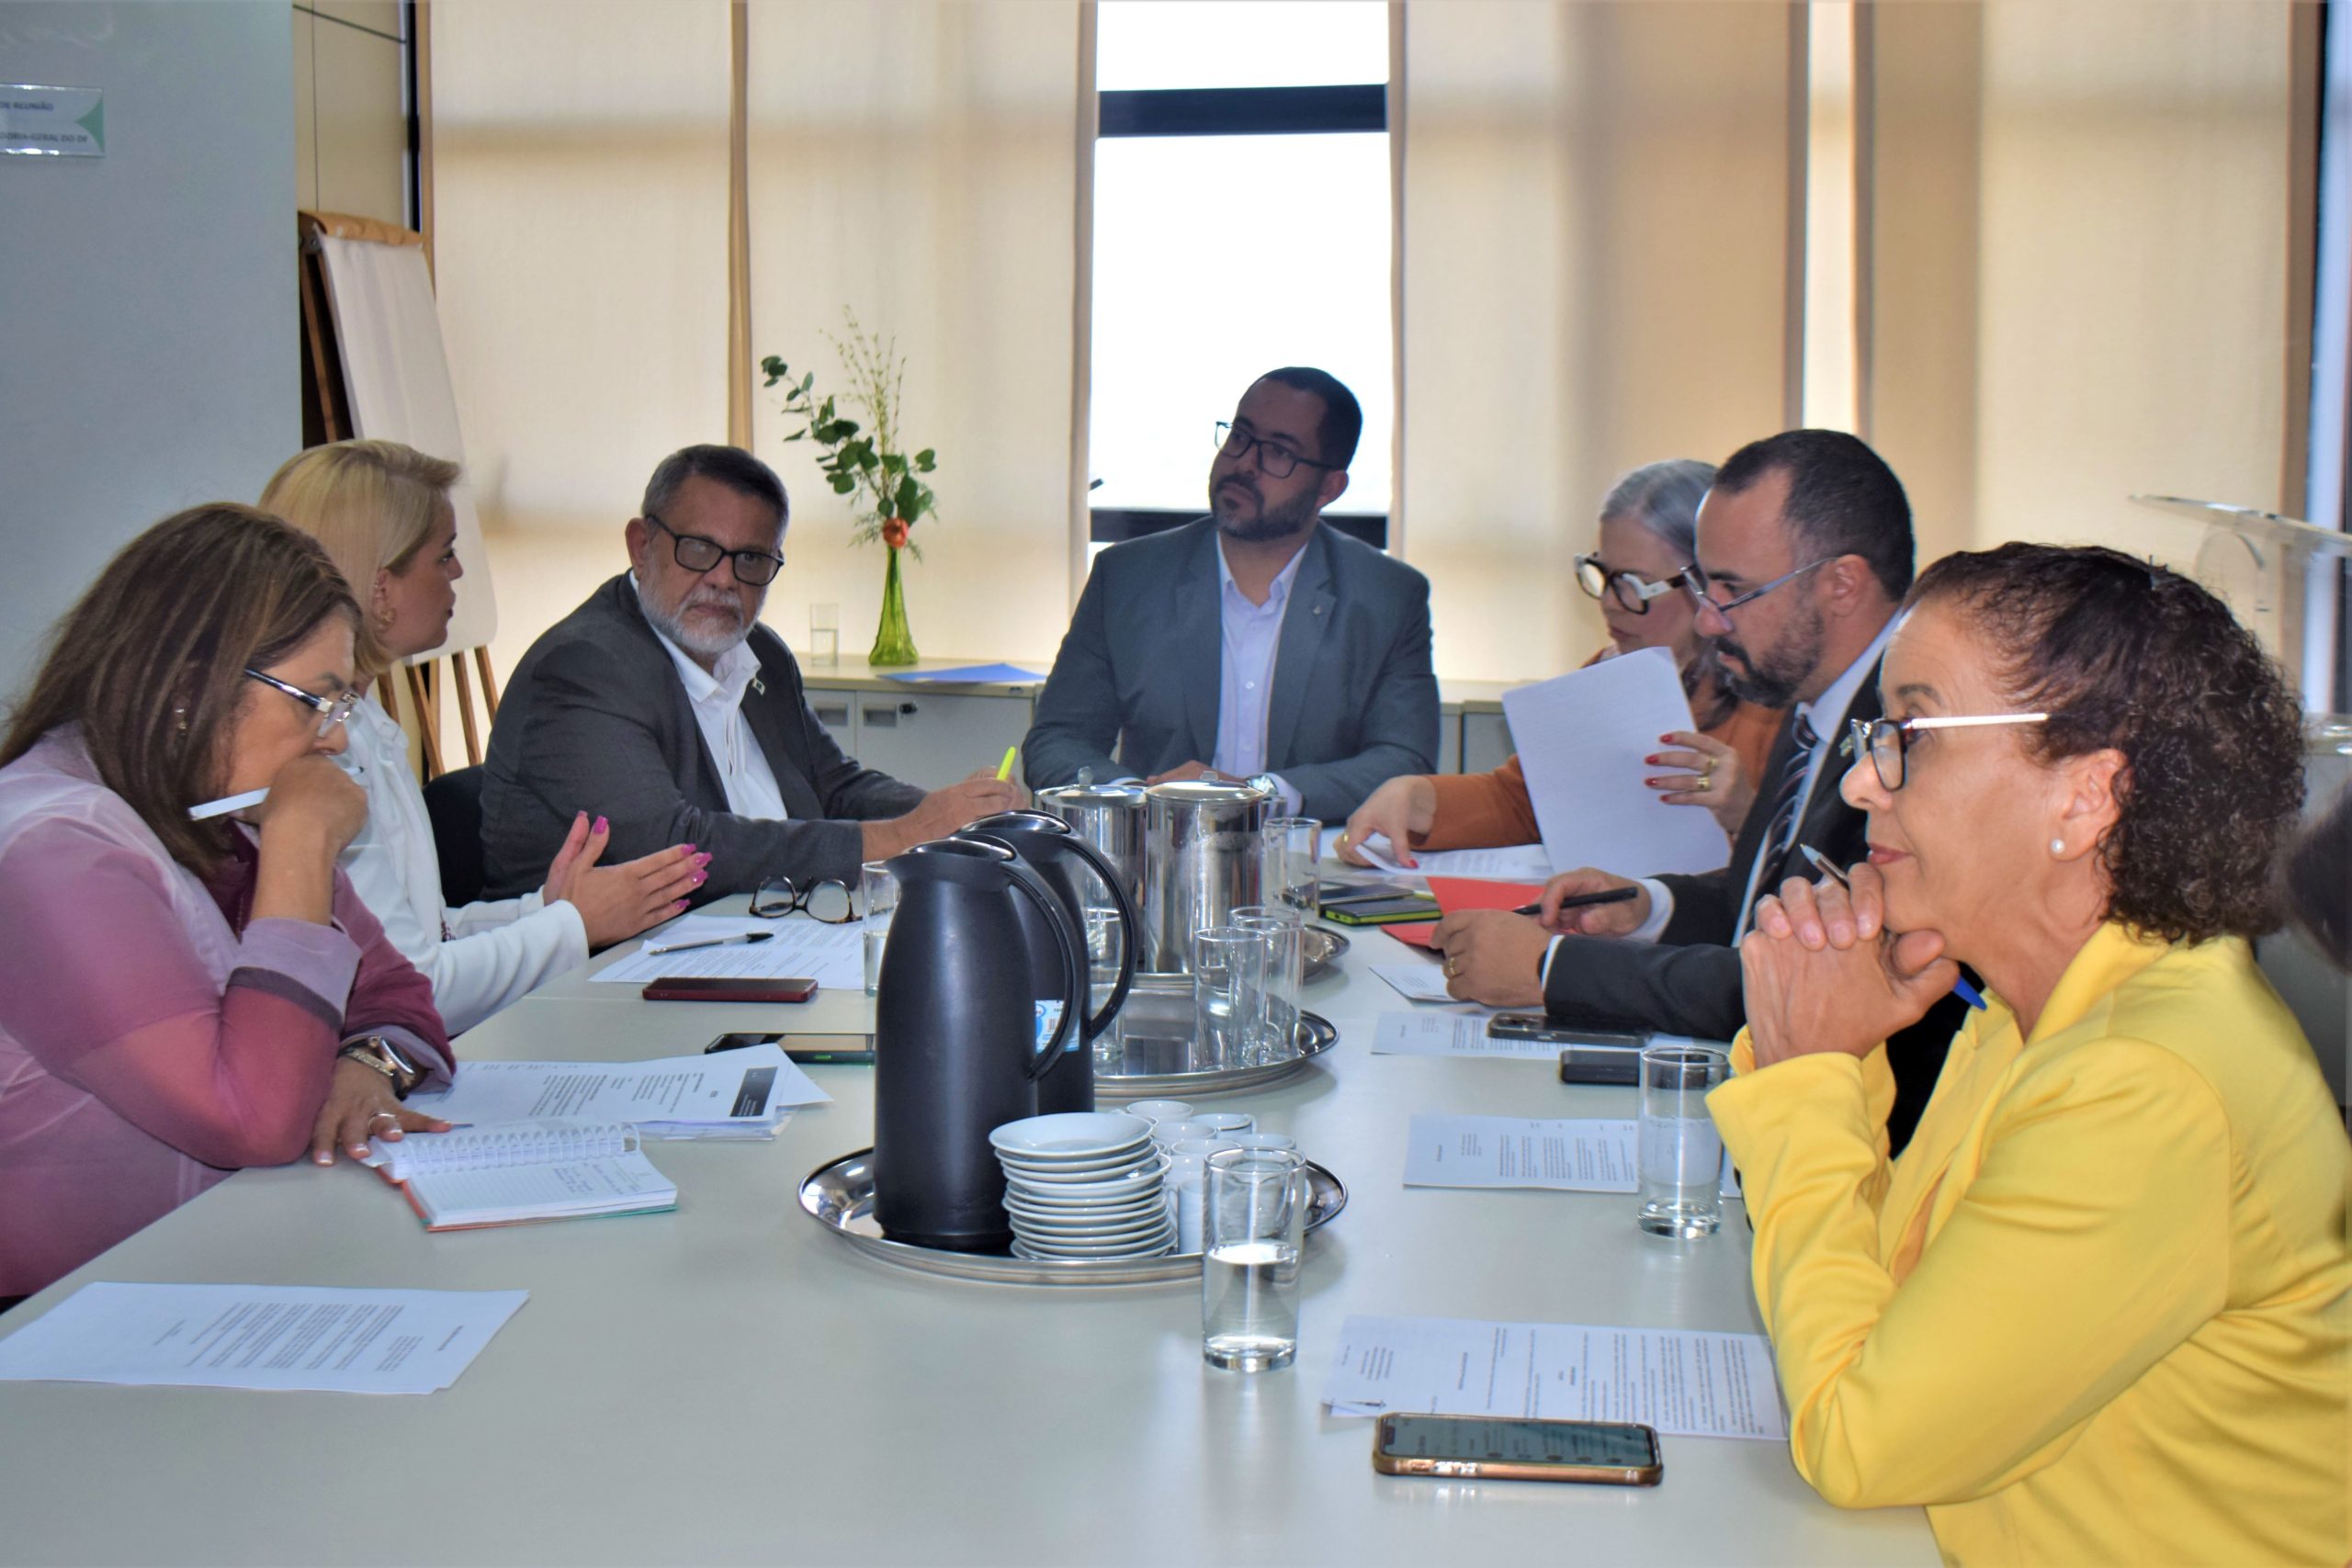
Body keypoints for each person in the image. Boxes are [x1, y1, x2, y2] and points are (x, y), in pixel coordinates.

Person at [1715, 544, 2347, 1564]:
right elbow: (1891, 1307)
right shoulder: (2031, 1008)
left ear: (2087, 797)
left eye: (1911, 735)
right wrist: (1842, 1053)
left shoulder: (2145, 1081)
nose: (1862, 781)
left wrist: (1806, 1077)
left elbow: (1860, 1441)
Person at [1433, 430, 1962, 1152]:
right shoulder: (1814, 697)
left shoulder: (1909, 741)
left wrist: (1550, 968)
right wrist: (1648, 906)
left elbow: (1803, 976)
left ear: (1842, 584)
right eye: (1706, 588)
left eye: (1735, 591)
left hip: (1857, 1142)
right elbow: (1767, 905)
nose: (1710, 620)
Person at [0, 506, 456, 1304]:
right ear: (188, 689)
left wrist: (365, 1067)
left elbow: (396, 994)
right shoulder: (54, 847)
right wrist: (300, 846)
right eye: (314, 701)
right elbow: (252, 1118)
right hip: (65, 1322)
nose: (335, 740)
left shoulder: (213, 809)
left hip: (216, 1268)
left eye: (343, 707)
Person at [261, 442, 705, 1033]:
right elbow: (417, 985)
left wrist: (546, 909)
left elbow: (430, 932)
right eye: (444, 554)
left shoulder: (363, 719)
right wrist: (573, 924)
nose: (458, 572)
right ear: (381, 587)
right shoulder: (324, 750)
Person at [478, 445, 1022, 901]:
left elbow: (832, 784)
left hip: (770, 933)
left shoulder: (761, 651)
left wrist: (955, 813)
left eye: (752, 560)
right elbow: (676, 848)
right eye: (699, 549)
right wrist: (905, 834)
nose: (724, 579)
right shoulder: (583, 667)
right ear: (641, 547)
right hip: (614, 970)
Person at [1023, 367, 1439, 821]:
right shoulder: (1127, 577)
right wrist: (1141, 800)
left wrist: (1262, 795)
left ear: (1329, 487)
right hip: (1157, 848)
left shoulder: (1388, 596)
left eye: (1279, 452)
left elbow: (1404, 760)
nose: (1244, 464)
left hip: (1307, 854)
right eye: (1240, 436)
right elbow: (1059, 739)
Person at [1338, 459, 1780, 863]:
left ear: (1705, 584)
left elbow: (1801, 866)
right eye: (1602, 574)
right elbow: (1524, 801)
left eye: (1634, 584)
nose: (1609, 603)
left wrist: (1746, 814)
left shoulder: (1771, 701)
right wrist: (1417, 797)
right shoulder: (1609, 673)